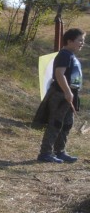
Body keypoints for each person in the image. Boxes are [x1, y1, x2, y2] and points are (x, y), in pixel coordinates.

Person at [36, 28, 83, 163]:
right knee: (55, 123)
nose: (82, 43)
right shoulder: (64, 55)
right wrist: (67, 92)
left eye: (83, 40)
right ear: (69, 41)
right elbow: (59, 74)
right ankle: (45, 153)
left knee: (67, 124)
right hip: (60, 95)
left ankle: (60, 151)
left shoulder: (71, 56)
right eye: (79, 40)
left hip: (70, 95)